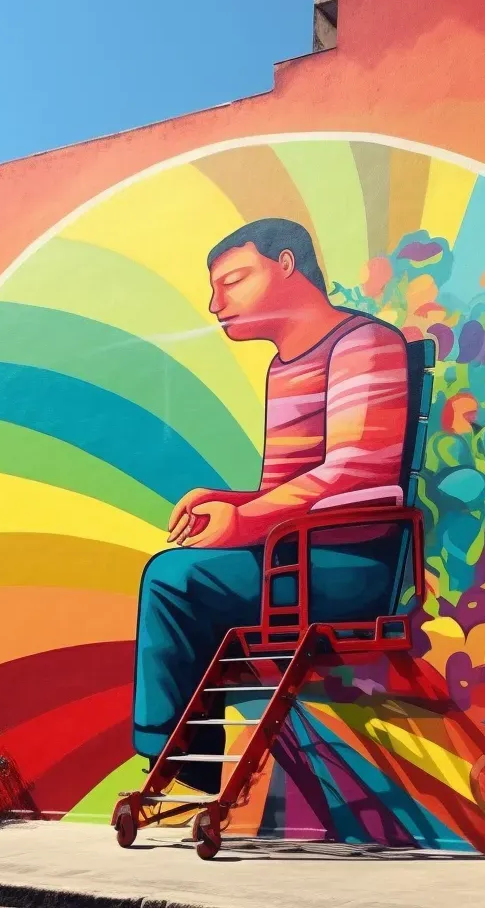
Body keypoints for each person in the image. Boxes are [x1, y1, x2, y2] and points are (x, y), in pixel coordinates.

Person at [132, 218, 410, 787]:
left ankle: (174, 753)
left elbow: (354, 470)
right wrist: (227, 501)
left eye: (232, 281)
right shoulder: (283, 369)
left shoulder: (365, 343)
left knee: (175, 579)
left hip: (349, 562)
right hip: (296, 557)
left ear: (286, 264)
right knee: (178, 577)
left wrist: (245, 521)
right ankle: (185, 754)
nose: (216, 304)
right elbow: (288, 485)